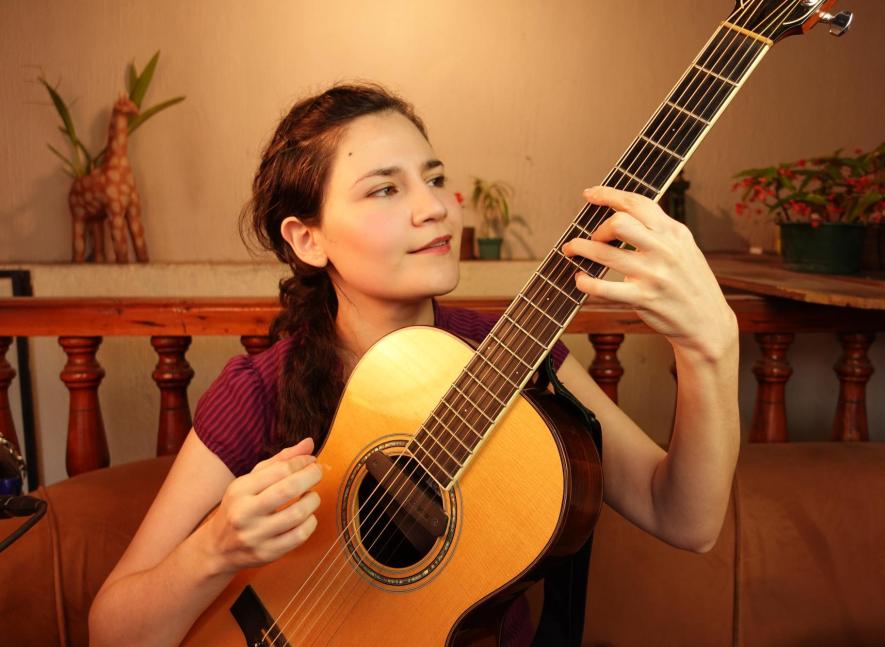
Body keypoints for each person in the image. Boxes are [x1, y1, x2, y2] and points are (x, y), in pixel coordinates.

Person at [89, 83, 739, 646]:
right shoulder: (260, 391)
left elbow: (685, 517)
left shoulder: (511, 349)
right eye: (384, 189)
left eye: (432, 177)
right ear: (306, 239)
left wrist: (711, 349)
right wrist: (214, 549)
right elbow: (111, 631)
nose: (433, 206)